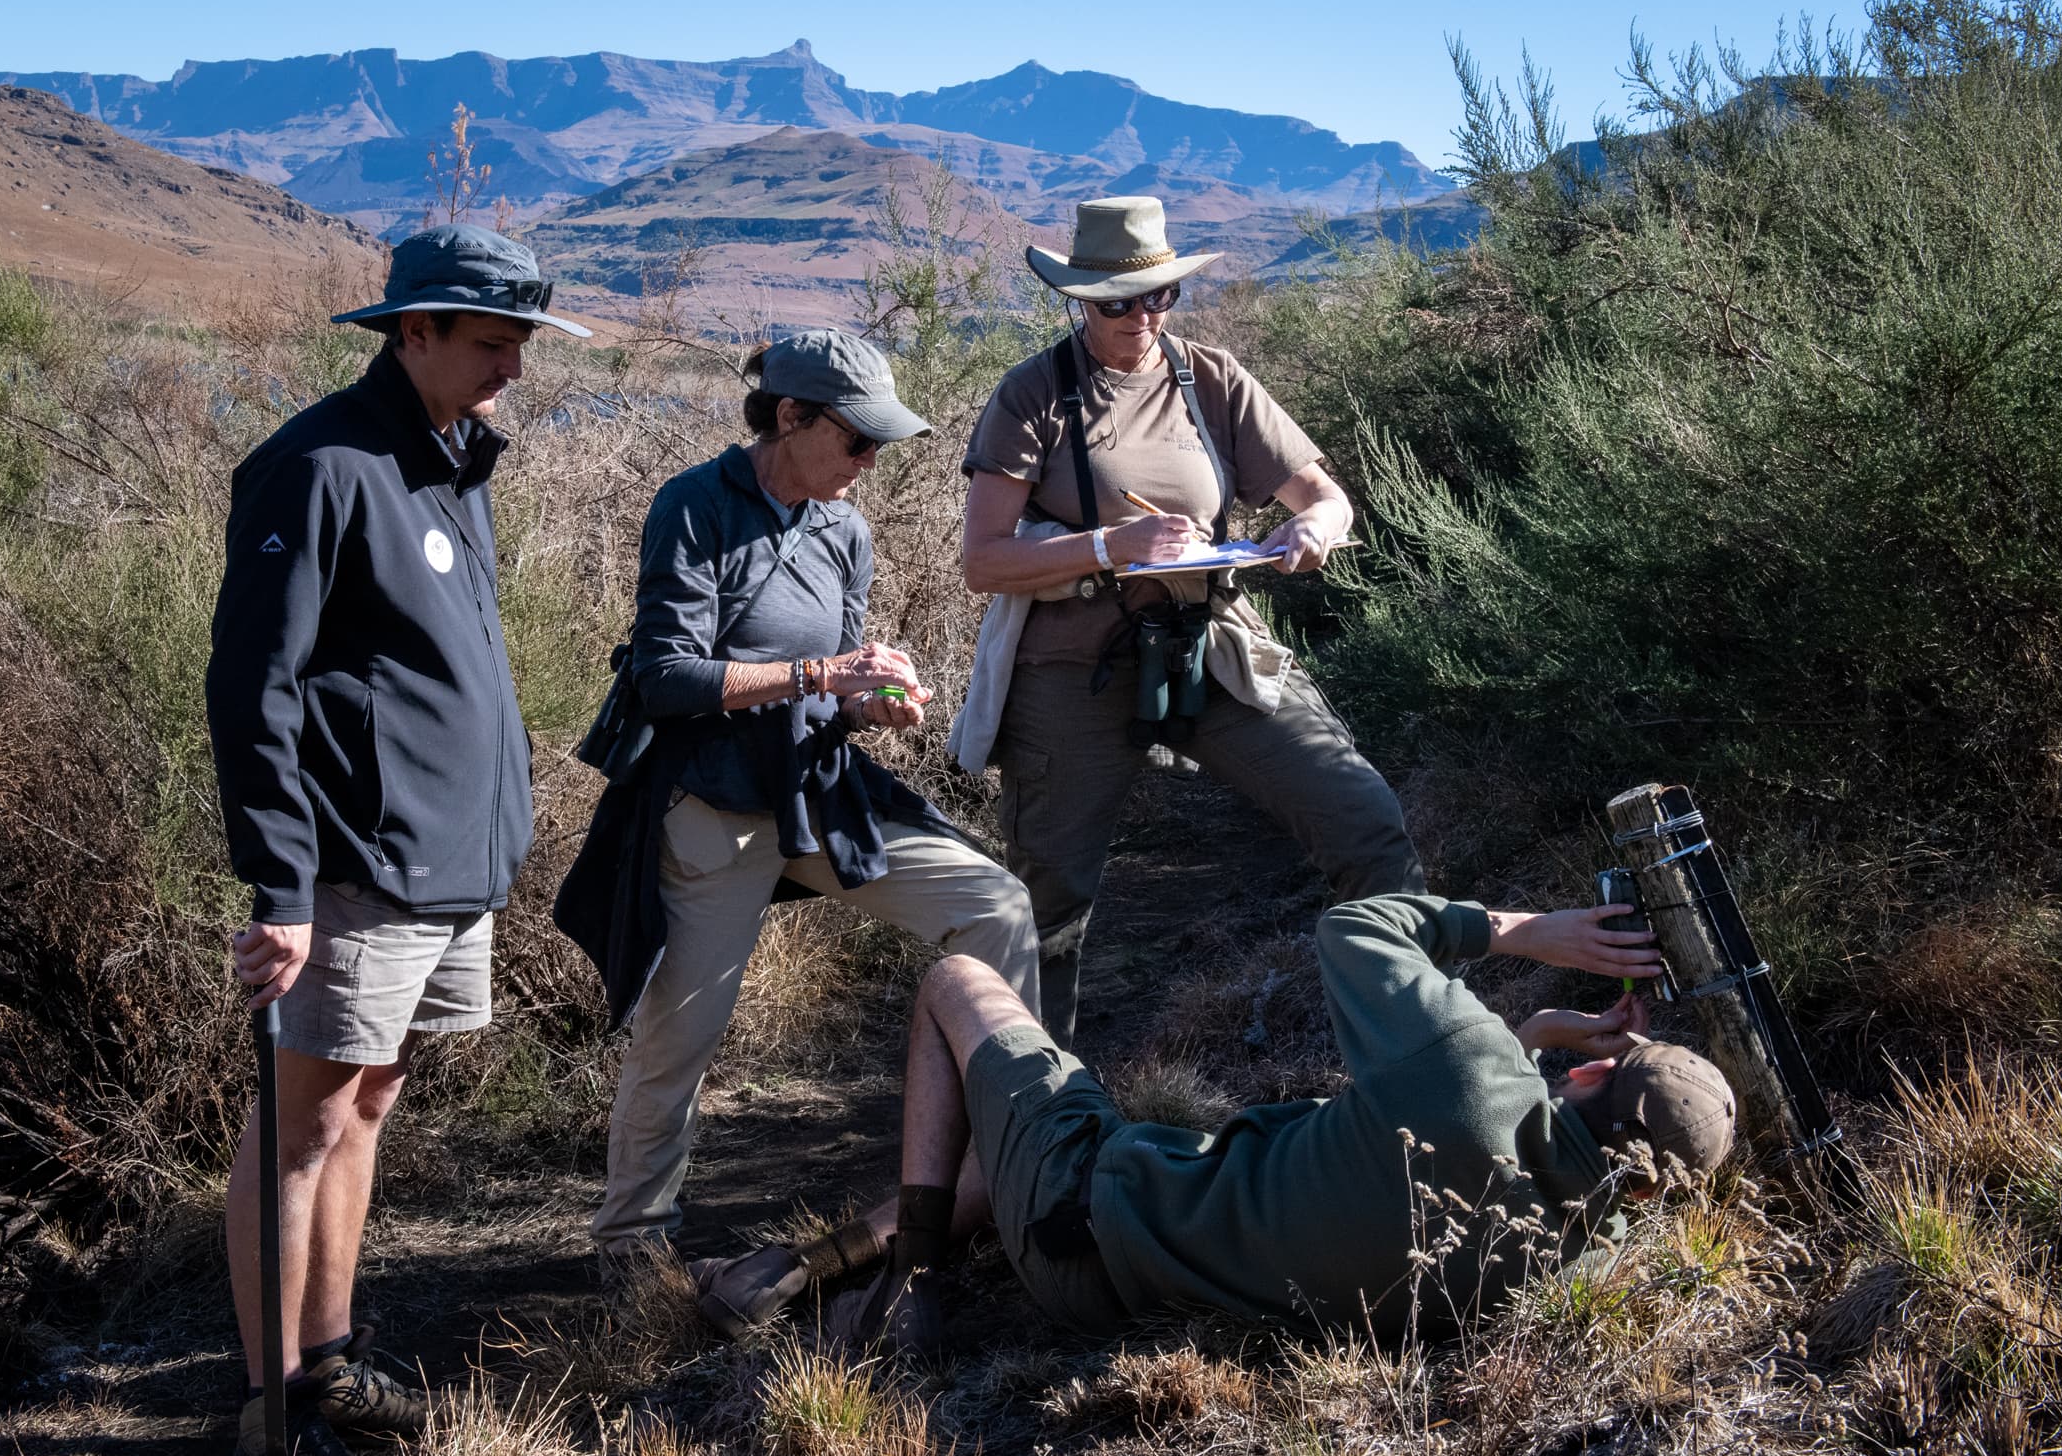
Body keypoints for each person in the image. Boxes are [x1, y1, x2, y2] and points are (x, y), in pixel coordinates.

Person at [206, 225, 591, 1456]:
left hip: (445, 864)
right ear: (411, 330)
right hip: (351, 869)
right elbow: (252, 692)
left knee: (369, 1101)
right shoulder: (319, 467)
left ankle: (328, 1357)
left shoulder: (447, 463)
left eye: (521, 344)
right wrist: (280, 889)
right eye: (491, 343)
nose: (512, 370)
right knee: (302, 1125)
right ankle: (271, 1424)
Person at [555, 332, 1042, 1275]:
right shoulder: (694, 506)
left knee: (995, 906)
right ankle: (632, 1253)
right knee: (680, 1035)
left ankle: (1006, 1163)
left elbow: (842, 688)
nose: (870, 463)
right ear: (790, 417)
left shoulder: (842, 528)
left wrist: (874, 703)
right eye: (858, 442)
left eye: (879, 446)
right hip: (715, 808)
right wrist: (820, 671)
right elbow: (665, 677)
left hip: (816, 790)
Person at [824, 896, 1737, 1353]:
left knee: (959, 984)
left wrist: (1524, 931)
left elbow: (1357, 925)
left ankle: (914, 1288)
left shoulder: (1468, 1065)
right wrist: (1536, 1041)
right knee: (992, 1128)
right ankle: (809, 1264)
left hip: (1093, 1207)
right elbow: (1513, 1143)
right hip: (1149, 1299)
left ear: (1585, 1074)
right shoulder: (1593, 1245)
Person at [952, 194, 1424, 1041]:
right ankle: (1030, 1122)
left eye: (1159, 295)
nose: (1141, 315)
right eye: (1117, 302)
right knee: (1047, 910)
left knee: (1363, 822)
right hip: (1070, 670)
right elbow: (983, 558)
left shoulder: (1210, 377)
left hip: (1210, 645)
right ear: (1079, 299)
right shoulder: (1033, 394)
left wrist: (1313, 527)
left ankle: (1423, 1046)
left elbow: (1324, 495)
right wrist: (1110, 547)